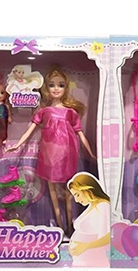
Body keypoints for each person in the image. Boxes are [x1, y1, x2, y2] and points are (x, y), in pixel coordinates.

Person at [7, 68, 96, 236]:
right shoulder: (43, 111)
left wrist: (91, 153)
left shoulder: (70, 112)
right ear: (46, 88)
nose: (56, 88)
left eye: (60, 85)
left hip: (67, 154)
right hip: (48, 155)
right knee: (53, 192)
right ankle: (60, 227)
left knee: (69, 192)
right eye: (52, 85)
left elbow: (80, 134)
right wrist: (17, 144)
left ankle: (70, 226)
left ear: (66, 88)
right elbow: (29, 131)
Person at [67, 173, 110, 267]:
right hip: (82, 263)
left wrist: (86, 246)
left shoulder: (103, 206)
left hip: (93, 262)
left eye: (77, 195)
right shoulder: (93, 206)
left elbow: (108, 237)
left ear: (87, 190)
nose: (76, 200)